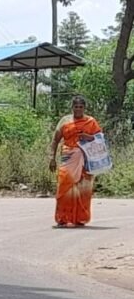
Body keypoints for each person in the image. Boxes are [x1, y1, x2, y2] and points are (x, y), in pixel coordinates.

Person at [49, 95, 103, 228]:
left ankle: (80, 219)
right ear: (72, 107)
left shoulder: (91, 121)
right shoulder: (65, 121)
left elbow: (99, 139)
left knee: (83, 190)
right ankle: (62, 218)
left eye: (81, 107)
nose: (78, 109)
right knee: (63, 188)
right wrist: (52, 158)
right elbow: (55, 140)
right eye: (76, 107)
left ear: (84, 108)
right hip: (68, 158)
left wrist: (88, 136)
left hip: (86, 160)